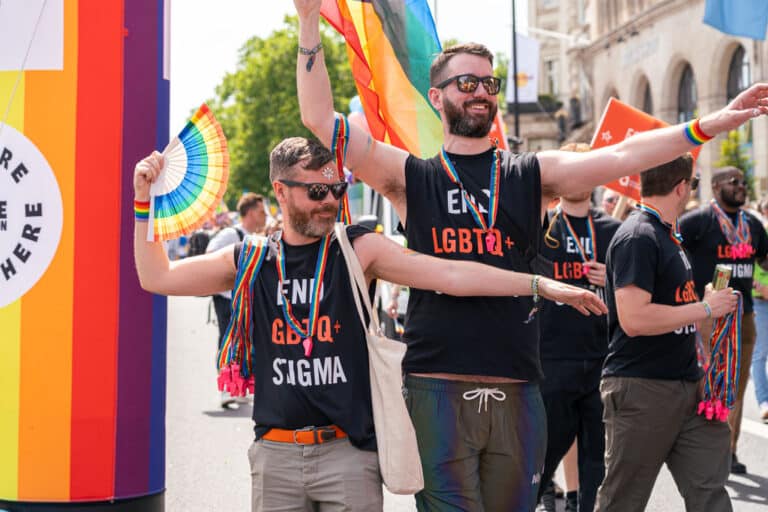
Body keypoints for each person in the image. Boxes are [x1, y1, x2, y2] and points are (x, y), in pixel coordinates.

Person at [294, 2, 767, 507]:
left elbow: (622, 156)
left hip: (519, 383)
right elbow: (319, 119)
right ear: (436, 97)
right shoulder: (410, 177)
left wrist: (708, 125)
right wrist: (307, 23)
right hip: (436, 384)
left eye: (488, 84)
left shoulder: (531, 174)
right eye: (466, 83)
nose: (480, 92)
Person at [133, 137, 605, 511]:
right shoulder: (251, 258)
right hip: (275, 456)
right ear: (280, 190)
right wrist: (142, 204)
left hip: (348, 455)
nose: (330, 201)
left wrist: (541, 285)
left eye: (336, 189)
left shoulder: (359, 250)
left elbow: (451, 273)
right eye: (317, 191)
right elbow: (156, 277)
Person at [595, 154, 738, 512]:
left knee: (711, 493)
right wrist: (706, 308)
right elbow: (634, 319)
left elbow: (678, 315)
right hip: (642, 390)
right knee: (622, 501)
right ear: (680, 188)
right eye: (691, 184)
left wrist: (706, 305)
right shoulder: (639, 236)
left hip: (687, 386)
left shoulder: (666, 236)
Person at [537, 143, 621, 512]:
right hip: (552, 357)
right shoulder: (541, 227)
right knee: (545, 450)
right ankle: (540, 496)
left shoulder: (616, 231)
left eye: (585, 169)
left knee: (596, 461)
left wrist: (612, 279)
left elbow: (635, 293)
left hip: (603, 359)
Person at [679, 166, 768, 474]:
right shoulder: (697, 222)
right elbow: (670, 251)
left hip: (743, 318)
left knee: (736, 386)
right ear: (716, 187)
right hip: (706, 315)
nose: (742, 186)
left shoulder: (753, 225)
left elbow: (765, 259)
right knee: (704, 384)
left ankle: (727, 451)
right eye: (735, 182)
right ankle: (697, 449)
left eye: (744, 182)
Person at [207, 192, 268, 407]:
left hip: (242, 300)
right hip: (226, 298)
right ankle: (225, 389)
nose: (265, 216)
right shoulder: (231, 234)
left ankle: (238, 386)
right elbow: (210, 255)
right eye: (261, 212)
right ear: (250, 213)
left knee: (242, 342)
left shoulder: (251, 237)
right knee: (227, 340)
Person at [752, 197, 768, 424]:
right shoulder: (760, 232)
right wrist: (761, 287)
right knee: (760, 352)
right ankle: (764, 402)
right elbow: (748, 264)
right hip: (762, 301)